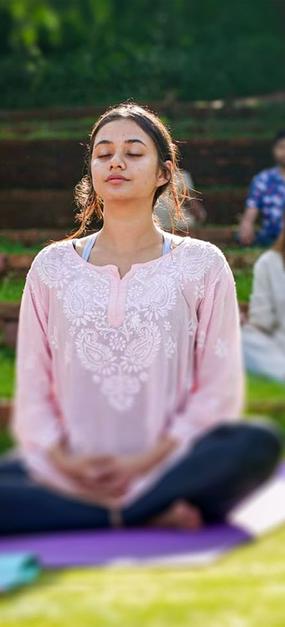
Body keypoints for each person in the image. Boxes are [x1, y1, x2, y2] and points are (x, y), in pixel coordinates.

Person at [0, 102, 282, 536]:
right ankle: (136, 513)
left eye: (133, 152)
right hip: (71, 473)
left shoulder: (202, 264)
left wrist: (146, 461)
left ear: (165, 172)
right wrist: (63, 460)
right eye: (103, 152)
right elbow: (34, 384)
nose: (116, 161)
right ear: (91, 169)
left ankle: (125, 507)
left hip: (173, 465)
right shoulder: (52, 266)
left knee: (257, 441)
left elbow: (219, 387)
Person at [241, 219, 285, 382]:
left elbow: (262, 321)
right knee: (242, 340)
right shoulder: (269, 263)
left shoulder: (268, 263)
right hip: (278, 347)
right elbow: (262, 320)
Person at [238, 130, 285, 247]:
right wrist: (247, 224)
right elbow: (252, 208)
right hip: (271, 236)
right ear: (274, 150)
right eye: (281, 147)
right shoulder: (263, 179)